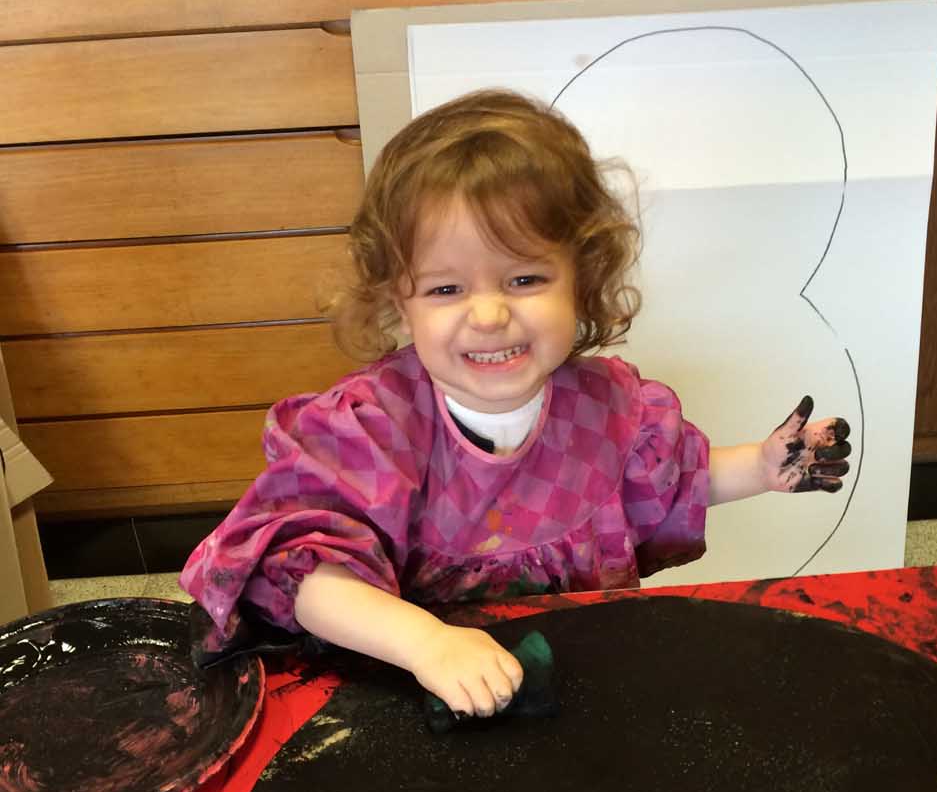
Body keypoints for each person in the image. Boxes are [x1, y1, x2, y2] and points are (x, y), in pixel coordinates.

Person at [181, 90, 851, 720]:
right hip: (411, 692)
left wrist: (762, 467)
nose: (489, 314)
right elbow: (306, 577)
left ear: (582, 279)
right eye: (445, 290)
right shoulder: (373, 428)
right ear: (398, 303)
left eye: (524, 278)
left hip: (573, 680)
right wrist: (427, 644)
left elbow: (678, 478)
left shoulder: (609, 409)